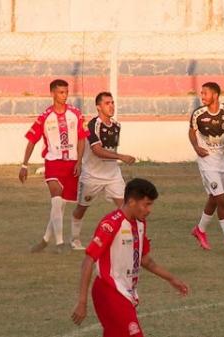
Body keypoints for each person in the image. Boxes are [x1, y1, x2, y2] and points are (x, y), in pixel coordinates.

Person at [71, 178, 189, 337]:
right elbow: (88, 261)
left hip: (125, 293)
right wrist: (82, 302)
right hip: (109, 291)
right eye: (146, 204)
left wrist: (171, 279)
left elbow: (145, 260)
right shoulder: (111, 224)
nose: (149, 210)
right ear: (132, 202)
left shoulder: (140, 223)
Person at [19, 79, 89, 253]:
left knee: (60, 205)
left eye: (66, 92)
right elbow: (31, 141)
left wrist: (80, 161)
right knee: (56, 199)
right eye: (60, 92)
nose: (64, 96)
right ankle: (60, 243)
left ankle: (45, 240)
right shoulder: (44, 117)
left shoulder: (76, 114)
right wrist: (24, 165)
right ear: (52, 93)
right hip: (53, 163)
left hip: (72, 163)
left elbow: (82, 138)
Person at [69, 92, 135, 250]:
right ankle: (75, 239)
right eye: (107, 103)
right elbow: (97, 151)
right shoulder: (92, 126)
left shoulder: (117, 126)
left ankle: (128, 239)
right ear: (98, 107)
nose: (112, 106)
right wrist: (121, 157)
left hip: (113, 175)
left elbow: (110, 148)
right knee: (81, 208)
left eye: (112, 102)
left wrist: (117, 159)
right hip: (92, 175)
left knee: (125, 207)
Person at [189, 82, 224, 252]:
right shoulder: (198, 114)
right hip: (207, 161)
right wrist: (197, 147)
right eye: (201, 93)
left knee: (214, 198)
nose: (202, 96)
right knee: (221, 199)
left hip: (223, 160)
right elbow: (191, 132)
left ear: (216, 95)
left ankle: (200, 230)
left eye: (205, 93)